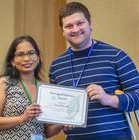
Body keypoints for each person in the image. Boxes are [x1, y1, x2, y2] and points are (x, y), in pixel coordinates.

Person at [49, 2, 139, 140]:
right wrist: (63, 123)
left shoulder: (116, 56)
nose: (75, 29)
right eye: (69, 26)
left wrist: (108, 99)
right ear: (62, 31)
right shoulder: (56, 66)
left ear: (90, 24)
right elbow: (57, 111)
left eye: (80, 23)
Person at [0, 35, 61, 140]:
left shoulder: (44, 89)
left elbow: (46, 131)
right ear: (12, 61)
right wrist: (22, 118)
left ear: (38, 58)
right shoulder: (4, 83)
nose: (27, 58)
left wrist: (62, 124)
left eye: (31, 53)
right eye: (20, 55)